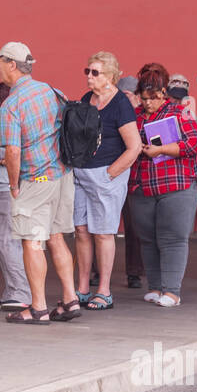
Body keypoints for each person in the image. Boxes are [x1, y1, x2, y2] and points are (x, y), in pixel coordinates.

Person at [0, 41, 79, 325]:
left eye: (1, 62)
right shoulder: (53, 91)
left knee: (32, 242)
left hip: (35, 180)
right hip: (63, 176)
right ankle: (70, 299)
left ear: (12, 65)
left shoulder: (11, 105)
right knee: (57, 237)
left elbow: (13, 151)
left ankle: (38, 308)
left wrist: (14, 185)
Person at [129, 63, 197, 308]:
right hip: (142, 185)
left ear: (163, 93)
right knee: (148, 238)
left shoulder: (178, 113)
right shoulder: (136, 115)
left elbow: (196, 144)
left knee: (172, 238)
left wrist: (162, 149)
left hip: (176, 184)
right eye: (144, 98)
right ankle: (155, 286)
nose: (148, 103)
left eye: (152, 98)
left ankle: (172, 291)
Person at [72, 52, 143, 311]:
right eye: (87, 71)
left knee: (103, 233)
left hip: (105, 175)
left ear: (111, 76)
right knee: (81, 230)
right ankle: (81, 288)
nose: (89, 77)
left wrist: (111, 173)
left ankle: (103, 290)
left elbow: (134, 147)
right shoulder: (86, 100)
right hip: (81, 174)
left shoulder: (120, 105)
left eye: (95, 72)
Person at [0, 82, 31, 312]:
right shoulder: (18, 121)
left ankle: (20, 292)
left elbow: (18, 159)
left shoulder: (15, 122)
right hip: (10, 188)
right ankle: (13, 291)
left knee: (6, 242)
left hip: (11, 189)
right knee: (5, 242)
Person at [116, 75, 145, 290]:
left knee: (134, 226)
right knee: (98, 225)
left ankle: (134, 272)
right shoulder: (114, 110)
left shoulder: (143, 115)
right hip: (115, 173)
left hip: (134, 176)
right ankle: (96, 271)